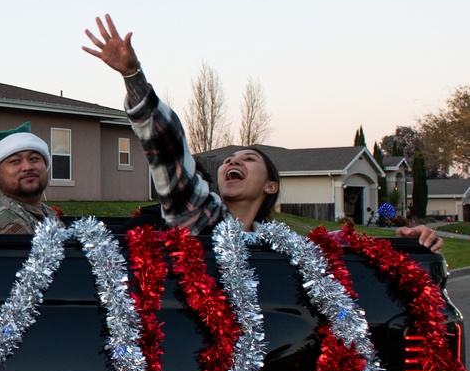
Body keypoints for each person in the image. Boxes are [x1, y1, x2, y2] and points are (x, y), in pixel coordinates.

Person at [82, 14, 444, 253]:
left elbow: (338, 247)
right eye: (230, 159)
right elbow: (168, 148)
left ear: (271, 186)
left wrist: (406, 243)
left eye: (249, 158)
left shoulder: (281, 245)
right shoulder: (198, 217)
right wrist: (133, 77)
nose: (234, 160)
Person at [0, 122, 62, 234]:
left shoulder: (41, 212)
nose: (28, 167)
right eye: (15, 161)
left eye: (34, 158)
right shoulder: (5, 222)